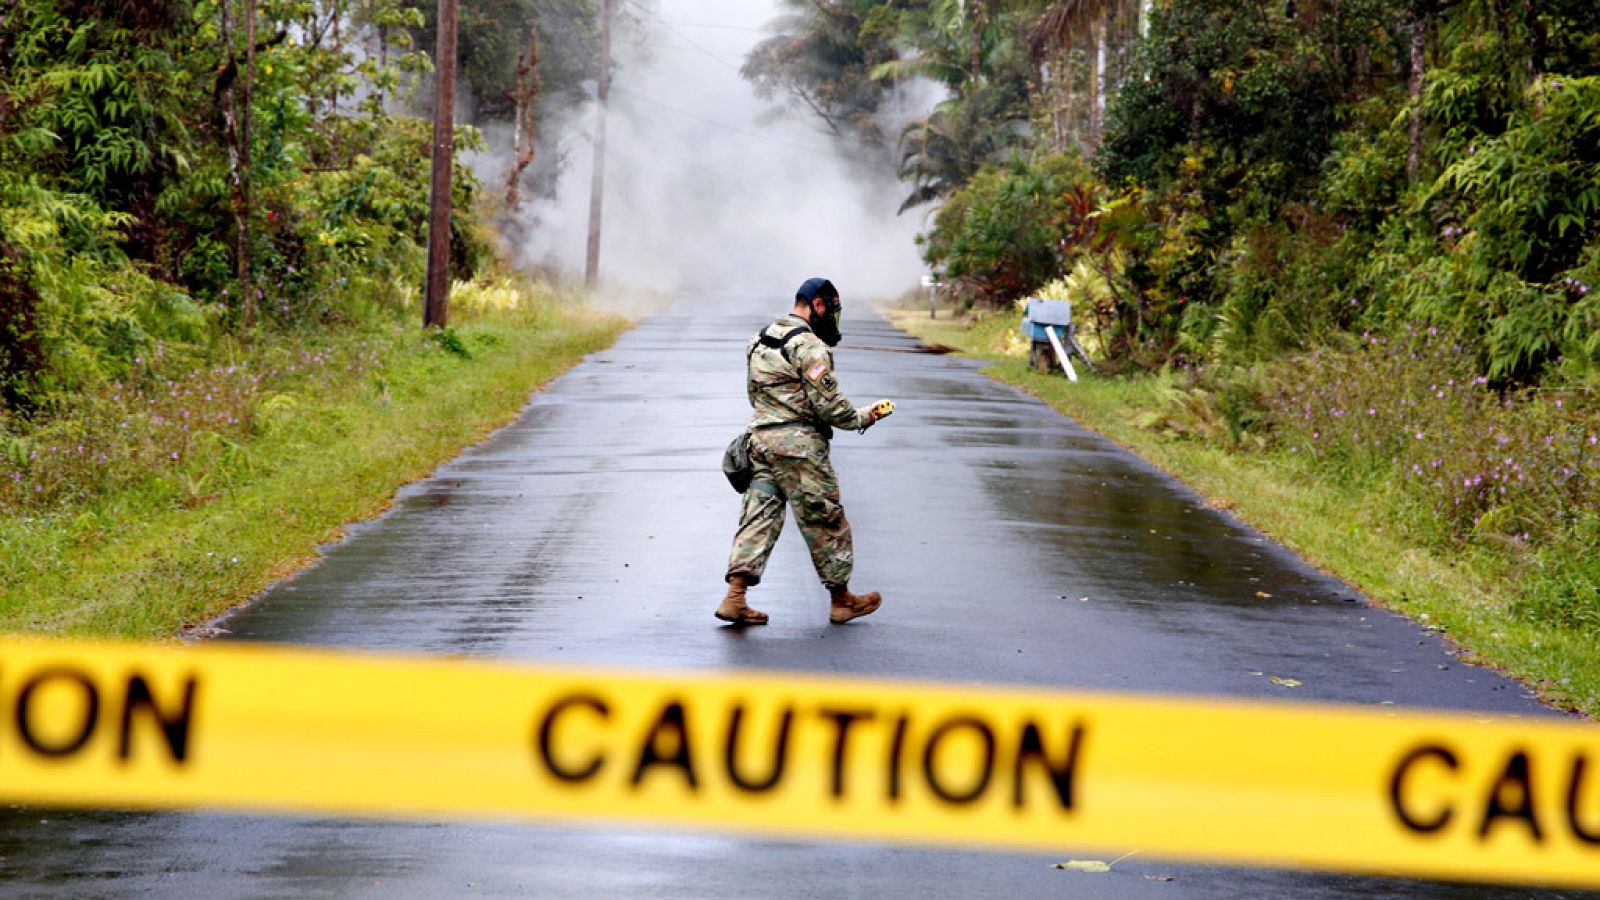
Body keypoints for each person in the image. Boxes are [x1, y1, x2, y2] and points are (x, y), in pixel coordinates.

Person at [717, 277, 891, 626]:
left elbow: (754, 395)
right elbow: (829, 405)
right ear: (819, 306)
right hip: (799, 450)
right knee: (825, 518)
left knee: (758, 518)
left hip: (760, 443)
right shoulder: (809, 346)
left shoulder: (760, 339)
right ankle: (842, 601)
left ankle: (735, 597)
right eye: (831, 311)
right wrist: (863, 417)